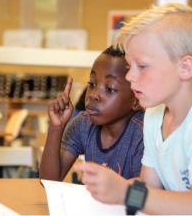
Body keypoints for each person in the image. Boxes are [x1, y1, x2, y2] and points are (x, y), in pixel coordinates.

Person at [75, 3, 192, 215]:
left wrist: (125, 193)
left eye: (142, 66)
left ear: (185, 68)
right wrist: (111, 191)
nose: (129, 76)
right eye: (130, 66)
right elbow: (150, 186)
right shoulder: (154, 116)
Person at [39, 46, 144, 181]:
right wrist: (56, 128)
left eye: (109, 88)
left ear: (136, 100)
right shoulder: (83, 124)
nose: (93, 95)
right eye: (92, 84)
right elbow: (49, 182)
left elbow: (143, 194)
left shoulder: (142, 135)